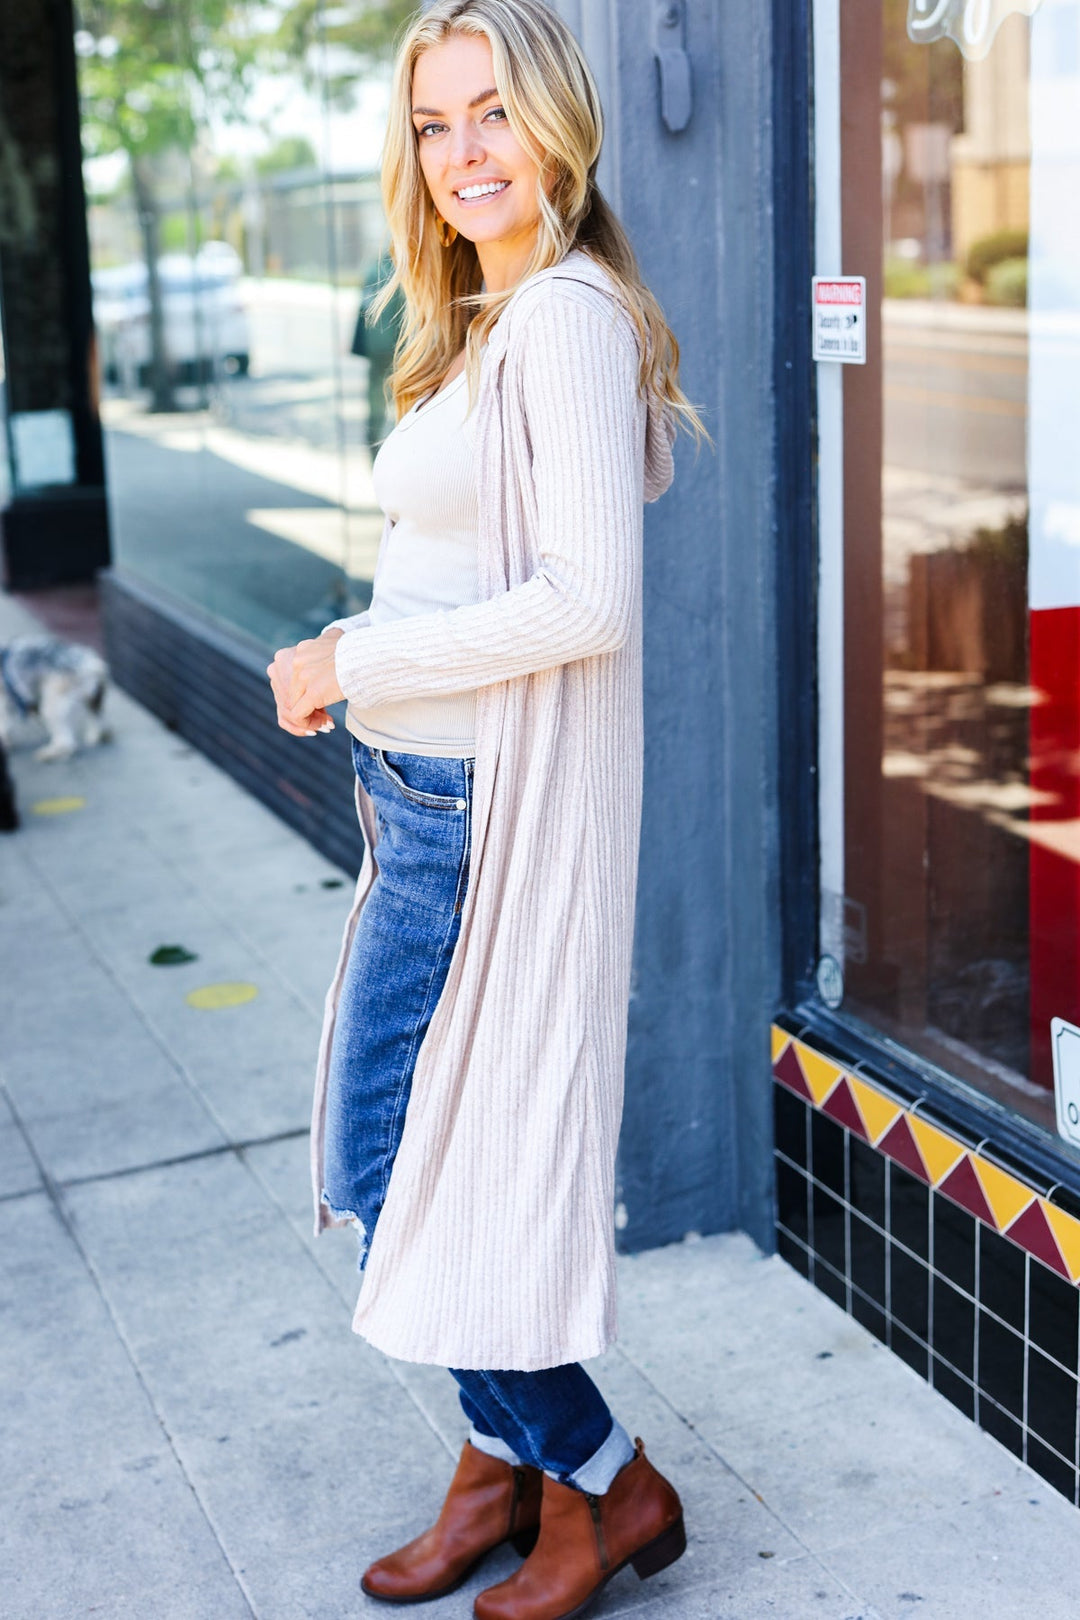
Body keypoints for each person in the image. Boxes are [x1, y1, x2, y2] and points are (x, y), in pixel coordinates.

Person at [266, 3, 706, 1615]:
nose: (463, 152)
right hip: (423, 799)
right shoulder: (491, 311)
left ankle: (602, 1474)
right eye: (437, 121)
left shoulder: (568, 319)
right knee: (419, 1169)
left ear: (557, 125)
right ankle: (498, 1467)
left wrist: (350, 656)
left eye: (492, 114)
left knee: (393, 1171)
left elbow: (586, 599)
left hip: (471, 824)